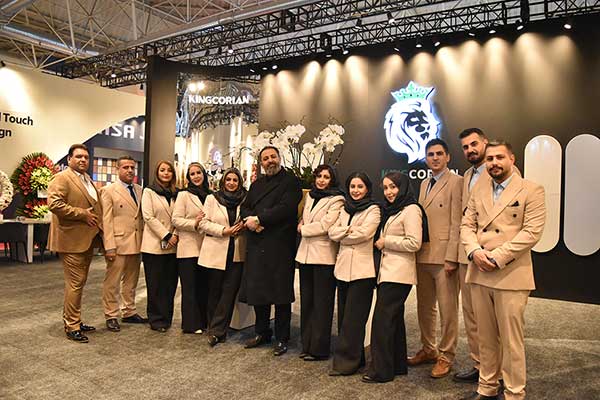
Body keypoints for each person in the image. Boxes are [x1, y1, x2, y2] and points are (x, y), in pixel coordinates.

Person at [460, 141, 545, 400]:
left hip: (511, 273)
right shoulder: (479, 190)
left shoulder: (531, 189)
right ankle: (487, 387)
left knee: (511, 340)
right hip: (479, 270)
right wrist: (474, 252)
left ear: (512, 159)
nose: (494, 163)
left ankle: (514, 393)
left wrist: (496, 257)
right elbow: (466, 224)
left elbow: (531, 233)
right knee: (485, 337)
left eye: (499, 157)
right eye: (489, 159)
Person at [362, 172, 427, 383]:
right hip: (388, 272)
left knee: (382, 322)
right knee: (394, 320)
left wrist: (386, 241)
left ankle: (381, 371)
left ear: (403, 187)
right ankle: (397, 365)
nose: (389, 192)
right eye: (386, 188)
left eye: (393, 187)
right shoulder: (394, 210)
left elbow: (414, 243)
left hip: (399, 274)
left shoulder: (411, 210)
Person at [409, 138, 463, 378]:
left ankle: (446, 355)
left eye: (439, 153)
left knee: (447, 309)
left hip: (444, 258)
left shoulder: (457, 182)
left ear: (448, 157)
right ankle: (429, 349)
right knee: (424, 307)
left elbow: (457, 222)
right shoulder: (424, 183)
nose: (435, 158)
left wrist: (452, 257)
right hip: (423, 254)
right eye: (430, 154)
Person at [240, 146, 302, 356]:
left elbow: (286, 208)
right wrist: (251, 221)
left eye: (273, 157)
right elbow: (245, 207)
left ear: (279, 158)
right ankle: (262, 332)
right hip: (258, 243)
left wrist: (259, 219)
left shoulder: (291, 182)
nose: (270, 161)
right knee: (260, 291)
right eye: (265, 158)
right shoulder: (256, 184)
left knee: (281, 294)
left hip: (280, 244)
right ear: (261, 163)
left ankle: (282, 337)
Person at [48, 143, 102, 343]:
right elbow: (54, 204)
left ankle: (75, 320)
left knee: (78, 283)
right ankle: (72, 326)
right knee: (75, 283)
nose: (83, 160)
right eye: (78, 156)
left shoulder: (87, 179)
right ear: (69, 159)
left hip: (85, 240)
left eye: (86, 157)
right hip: (70, 240)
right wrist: (82, 214)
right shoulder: (62, 178)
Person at [328, 172, 380, 376]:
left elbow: (364, 234)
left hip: (362, 271)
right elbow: (332, 232)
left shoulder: (374, 209)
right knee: (343, 317)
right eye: (352, 186)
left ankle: (346, 363)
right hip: (342, 270)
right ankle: (355, 358)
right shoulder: (344, 208)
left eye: (360, 186)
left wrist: (344, 232)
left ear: (367, 188)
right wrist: (348, 231)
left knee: (354, 319)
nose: (355, 190)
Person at [295, 164, 344, 361]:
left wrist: (303, 229)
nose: (322, 180)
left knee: (322, 305)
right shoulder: (310, 196)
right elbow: (304, 218)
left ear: (332, 180)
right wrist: (302, 223)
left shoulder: (337, 199)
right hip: (305, 255)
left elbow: (326, 226)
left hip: (324, 257)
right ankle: (306, 344)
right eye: (319, 176)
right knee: (307, 302)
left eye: (326, 177)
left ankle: (319, 348)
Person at [453, 128, 490, 382]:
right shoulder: (467, 175)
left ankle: (496, 371)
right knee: (471, 315)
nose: (470, 150)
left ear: (485, 143)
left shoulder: (501, 170)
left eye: (474, 144)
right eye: (466, 147)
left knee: (490, 318)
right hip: (467, 253)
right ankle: (480, 365)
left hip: (489, 255)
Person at [197, 168, 247, 347]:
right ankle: (214, 327)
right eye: (228, 180)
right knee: (214, 291)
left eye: (235, 180)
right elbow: (203, 223)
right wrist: (224, 231)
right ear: (223, 182)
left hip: (237, 252)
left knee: (229, 293)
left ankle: (217, 331)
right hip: (216, 250)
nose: (231, 183)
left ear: (239, 183)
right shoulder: (212, 199)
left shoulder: (245, 199)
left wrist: (244, 226)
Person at [100, 155, 147, 332]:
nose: (130, 170)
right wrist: (109, 246)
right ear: (117, 169)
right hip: (118, 243)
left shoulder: (140, 190)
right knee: (112, 282)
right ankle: (111, 314)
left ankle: (129, 311)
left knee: (131, 280)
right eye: (125, 167)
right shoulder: (109, 191)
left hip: (136, 242)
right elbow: (106, 221)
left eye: (132, 168)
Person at [140, 160, 179, 333]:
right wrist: (167, 235)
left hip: (174, 245)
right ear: (157, 173)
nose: (166, 173)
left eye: (169, 170)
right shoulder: (149, 191)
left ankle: (167, 317)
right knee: (155, 284)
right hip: (154, 244)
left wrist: (175, 234)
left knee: (170, 284)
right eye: (162, 170)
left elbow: (180, 216)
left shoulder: (177, 193)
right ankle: (155, 319)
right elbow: (148, 217)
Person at [172, 162, 210, 334]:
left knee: (204, 286)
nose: (196, 176)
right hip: (188, 248)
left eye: (198, 172)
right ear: (188, 177)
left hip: (207, 248)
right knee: (190, 288)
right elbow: (176, 220)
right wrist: (194, 223)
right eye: (192, 174)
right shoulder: (183, 195)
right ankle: (191, 324)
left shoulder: (211, 195)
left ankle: (204, 321)